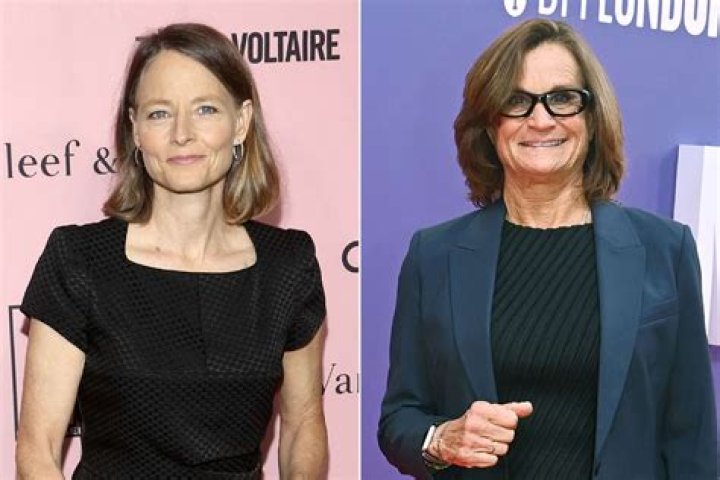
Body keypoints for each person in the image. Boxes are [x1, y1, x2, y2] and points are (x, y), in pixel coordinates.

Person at [378, 19, 716, 480]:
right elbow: (399, 418)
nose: (540, 120)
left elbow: (692, 438)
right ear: (489, 125)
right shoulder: (434, 256)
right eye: (516, 101)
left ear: (592, 118)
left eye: (562, 98)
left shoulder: (664, 250)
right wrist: (442, 439)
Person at [16, 23, 327, 479]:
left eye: (205, 109)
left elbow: (302, 425)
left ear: (241, 123)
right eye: (160, 113)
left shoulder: (287, 265)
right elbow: (37, 449)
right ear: (136, 129)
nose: (182, 134)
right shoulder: (80, 260)